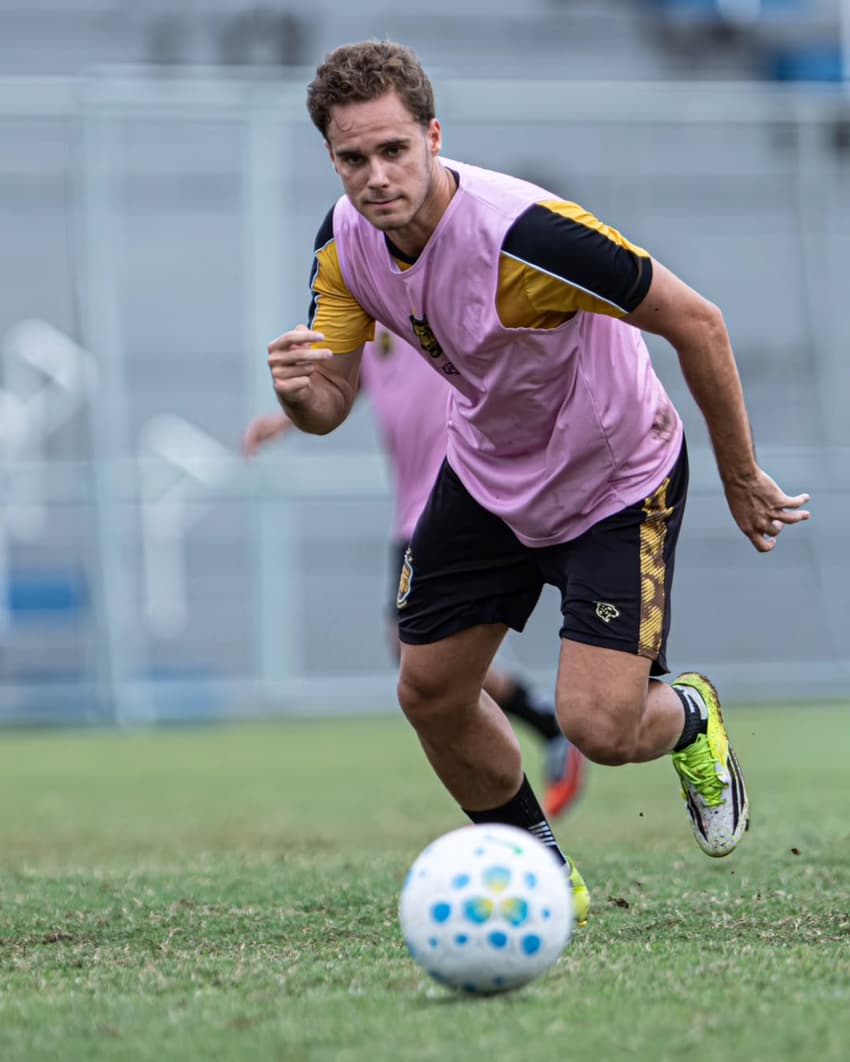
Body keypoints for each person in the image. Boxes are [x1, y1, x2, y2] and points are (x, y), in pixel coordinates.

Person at [264, 40, 811, 926]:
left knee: (602, 727)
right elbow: (328, 401)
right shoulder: (343, 244)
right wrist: (297, 397)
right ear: (332, 157)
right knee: (428, 691)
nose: (375, 176)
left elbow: (698, 323)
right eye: (352, 157)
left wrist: (741, 474)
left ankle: (690, 715)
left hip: (615, 479)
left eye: (394, 149)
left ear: (434, 136)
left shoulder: (528, 235)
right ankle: (541, 873)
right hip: (487, 474)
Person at [243, 324, 587, 819]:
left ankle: (533, 757)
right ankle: (542, 727)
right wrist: (286, 418)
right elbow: (350, 379)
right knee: (417, 659)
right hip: (412, 512)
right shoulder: (364, 301)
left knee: (427, 664)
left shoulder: (436, 289)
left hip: (458, 501)